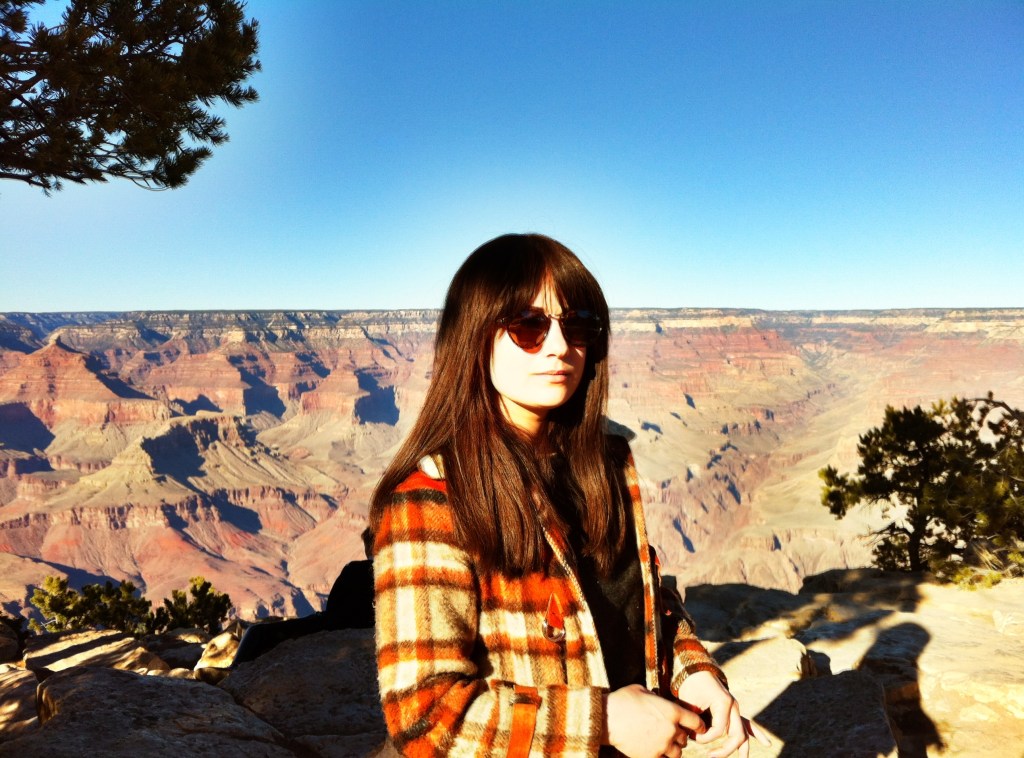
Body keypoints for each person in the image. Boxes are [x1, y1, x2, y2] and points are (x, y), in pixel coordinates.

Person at [370, 234, 768, 757]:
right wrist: (601, 722)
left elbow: (644, 603)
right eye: (528, 326)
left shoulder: (605, 464)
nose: (560, 346)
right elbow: (423, 717)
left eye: (577, 325)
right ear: (474, 337)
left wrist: (694, 673)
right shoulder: (431, 498)